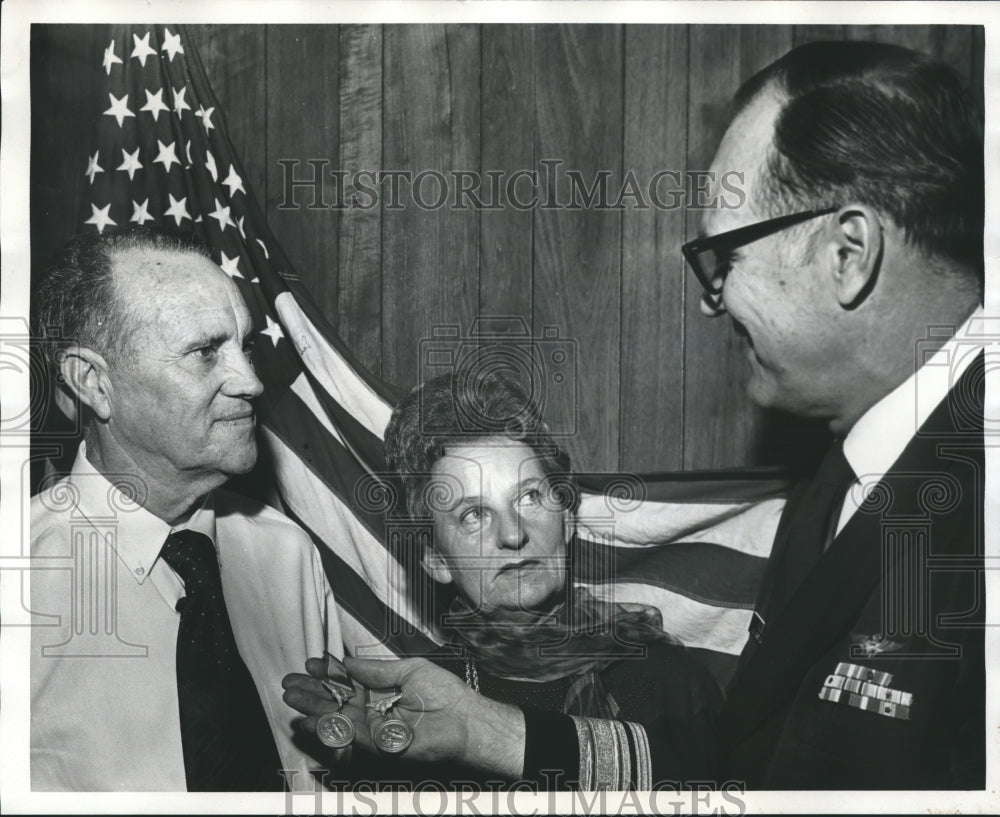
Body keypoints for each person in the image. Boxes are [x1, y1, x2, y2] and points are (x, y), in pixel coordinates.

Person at [289, 40, 986, 790]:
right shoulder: (835, 485)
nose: (706, 298)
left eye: (726, 257)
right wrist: (481, 728)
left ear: (849, 254)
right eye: (469, 515)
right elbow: (745, 778)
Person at [282, 371, 722, 788]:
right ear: (435, 558)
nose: (513, 534)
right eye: (473, 514)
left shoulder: (670, 683)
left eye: (529, 496)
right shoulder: (409, 710)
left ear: (567, 518)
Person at [29, 226, 344, 791]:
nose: (249, 381)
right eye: (204, 353)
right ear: (93, 384)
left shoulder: (286, 554)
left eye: (243, 345)